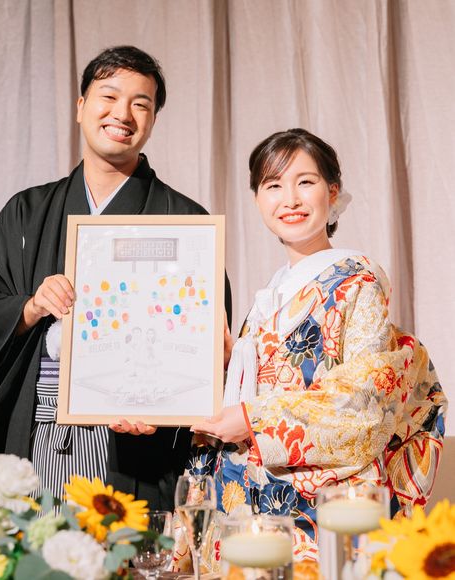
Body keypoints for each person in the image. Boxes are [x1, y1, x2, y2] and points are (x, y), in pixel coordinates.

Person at [0, 45, 232, 511]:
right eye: (109, 96)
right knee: (37, 542)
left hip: (133, 442)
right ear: (81, 106)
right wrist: (31, 307)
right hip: (40, 424)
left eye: (140, 104)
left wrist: (164, 408)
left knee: (125, 545)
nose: (122, 114)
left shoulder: (185, 221)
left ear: (153, 120)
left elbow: (202, 344)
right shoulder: (27, 212)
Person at [184, 128, 446, 562]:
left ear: (333, 192)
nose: (290, 199)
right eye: (273, 185)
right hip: (254, 502)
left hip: (319, 509)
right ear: (257, 199)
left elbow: (364, 402)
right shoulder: (271, 295)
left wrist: (253, 420)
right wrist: (232, 366)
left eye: (305, 182)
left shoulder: (356, 281)